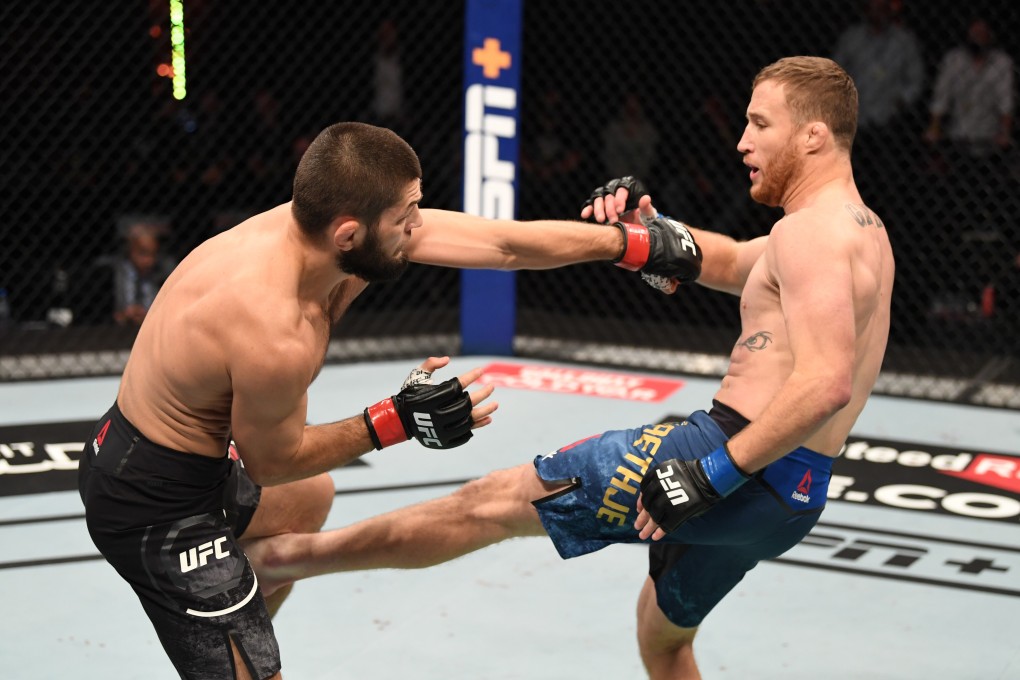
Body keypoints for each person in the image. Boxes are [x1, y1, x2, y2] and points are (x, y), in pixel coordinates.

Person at [242, 56, 895, 679]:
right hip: (792, 497)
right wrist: (648, 234)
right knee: (662, 637)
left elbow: (824, 382)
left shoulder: (811, 235)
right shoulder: (859, 233)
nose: (742, 142)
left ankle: (280, 559)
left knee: (492, 503)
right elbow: (731, 263)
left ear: (813, 135)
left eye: (760, 124)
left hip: (730, 456)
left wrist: (713, 473)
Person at [77, 121, 702, 680]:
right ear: (350, 233)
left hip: (203, 464)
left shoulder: (321, 230)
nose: (418, 227)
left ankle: (234, 619)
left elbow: (503, 245)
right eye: (407, 215)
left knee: (310, 497)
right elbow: (271, 461)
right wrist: (392, 420)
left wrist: (626, 244)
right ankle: (222, 628)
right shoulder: (271, 326)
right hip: (151, 501)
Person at [110, 220, 178, 326]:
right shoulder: (120, 271)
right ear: (130, 250)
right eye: (143, 253)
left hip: (156, 321)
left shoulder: (163, 271)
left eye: (153, 254)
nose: (149, 261)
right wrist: (126, 313)